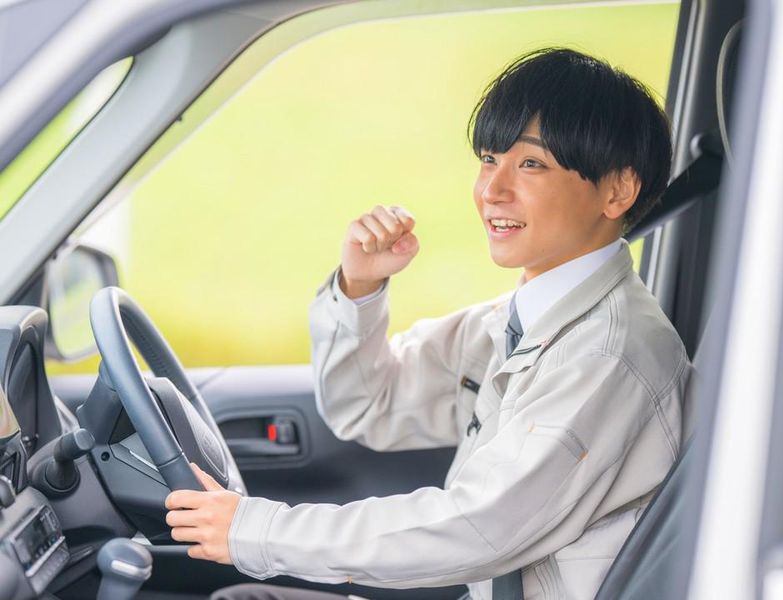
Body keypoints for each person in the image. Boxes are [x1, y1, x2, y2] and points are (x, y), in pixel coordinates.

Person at [165, 47, 689, 600]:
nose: (492, 190)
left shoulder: (608, 354)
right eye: (489, 159)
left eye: (531, 164)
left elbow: (478, 527)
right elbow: (367, 405)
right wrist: (360, 288)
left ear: (617, 190)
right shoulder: (523, 318)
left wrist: (258, 530)